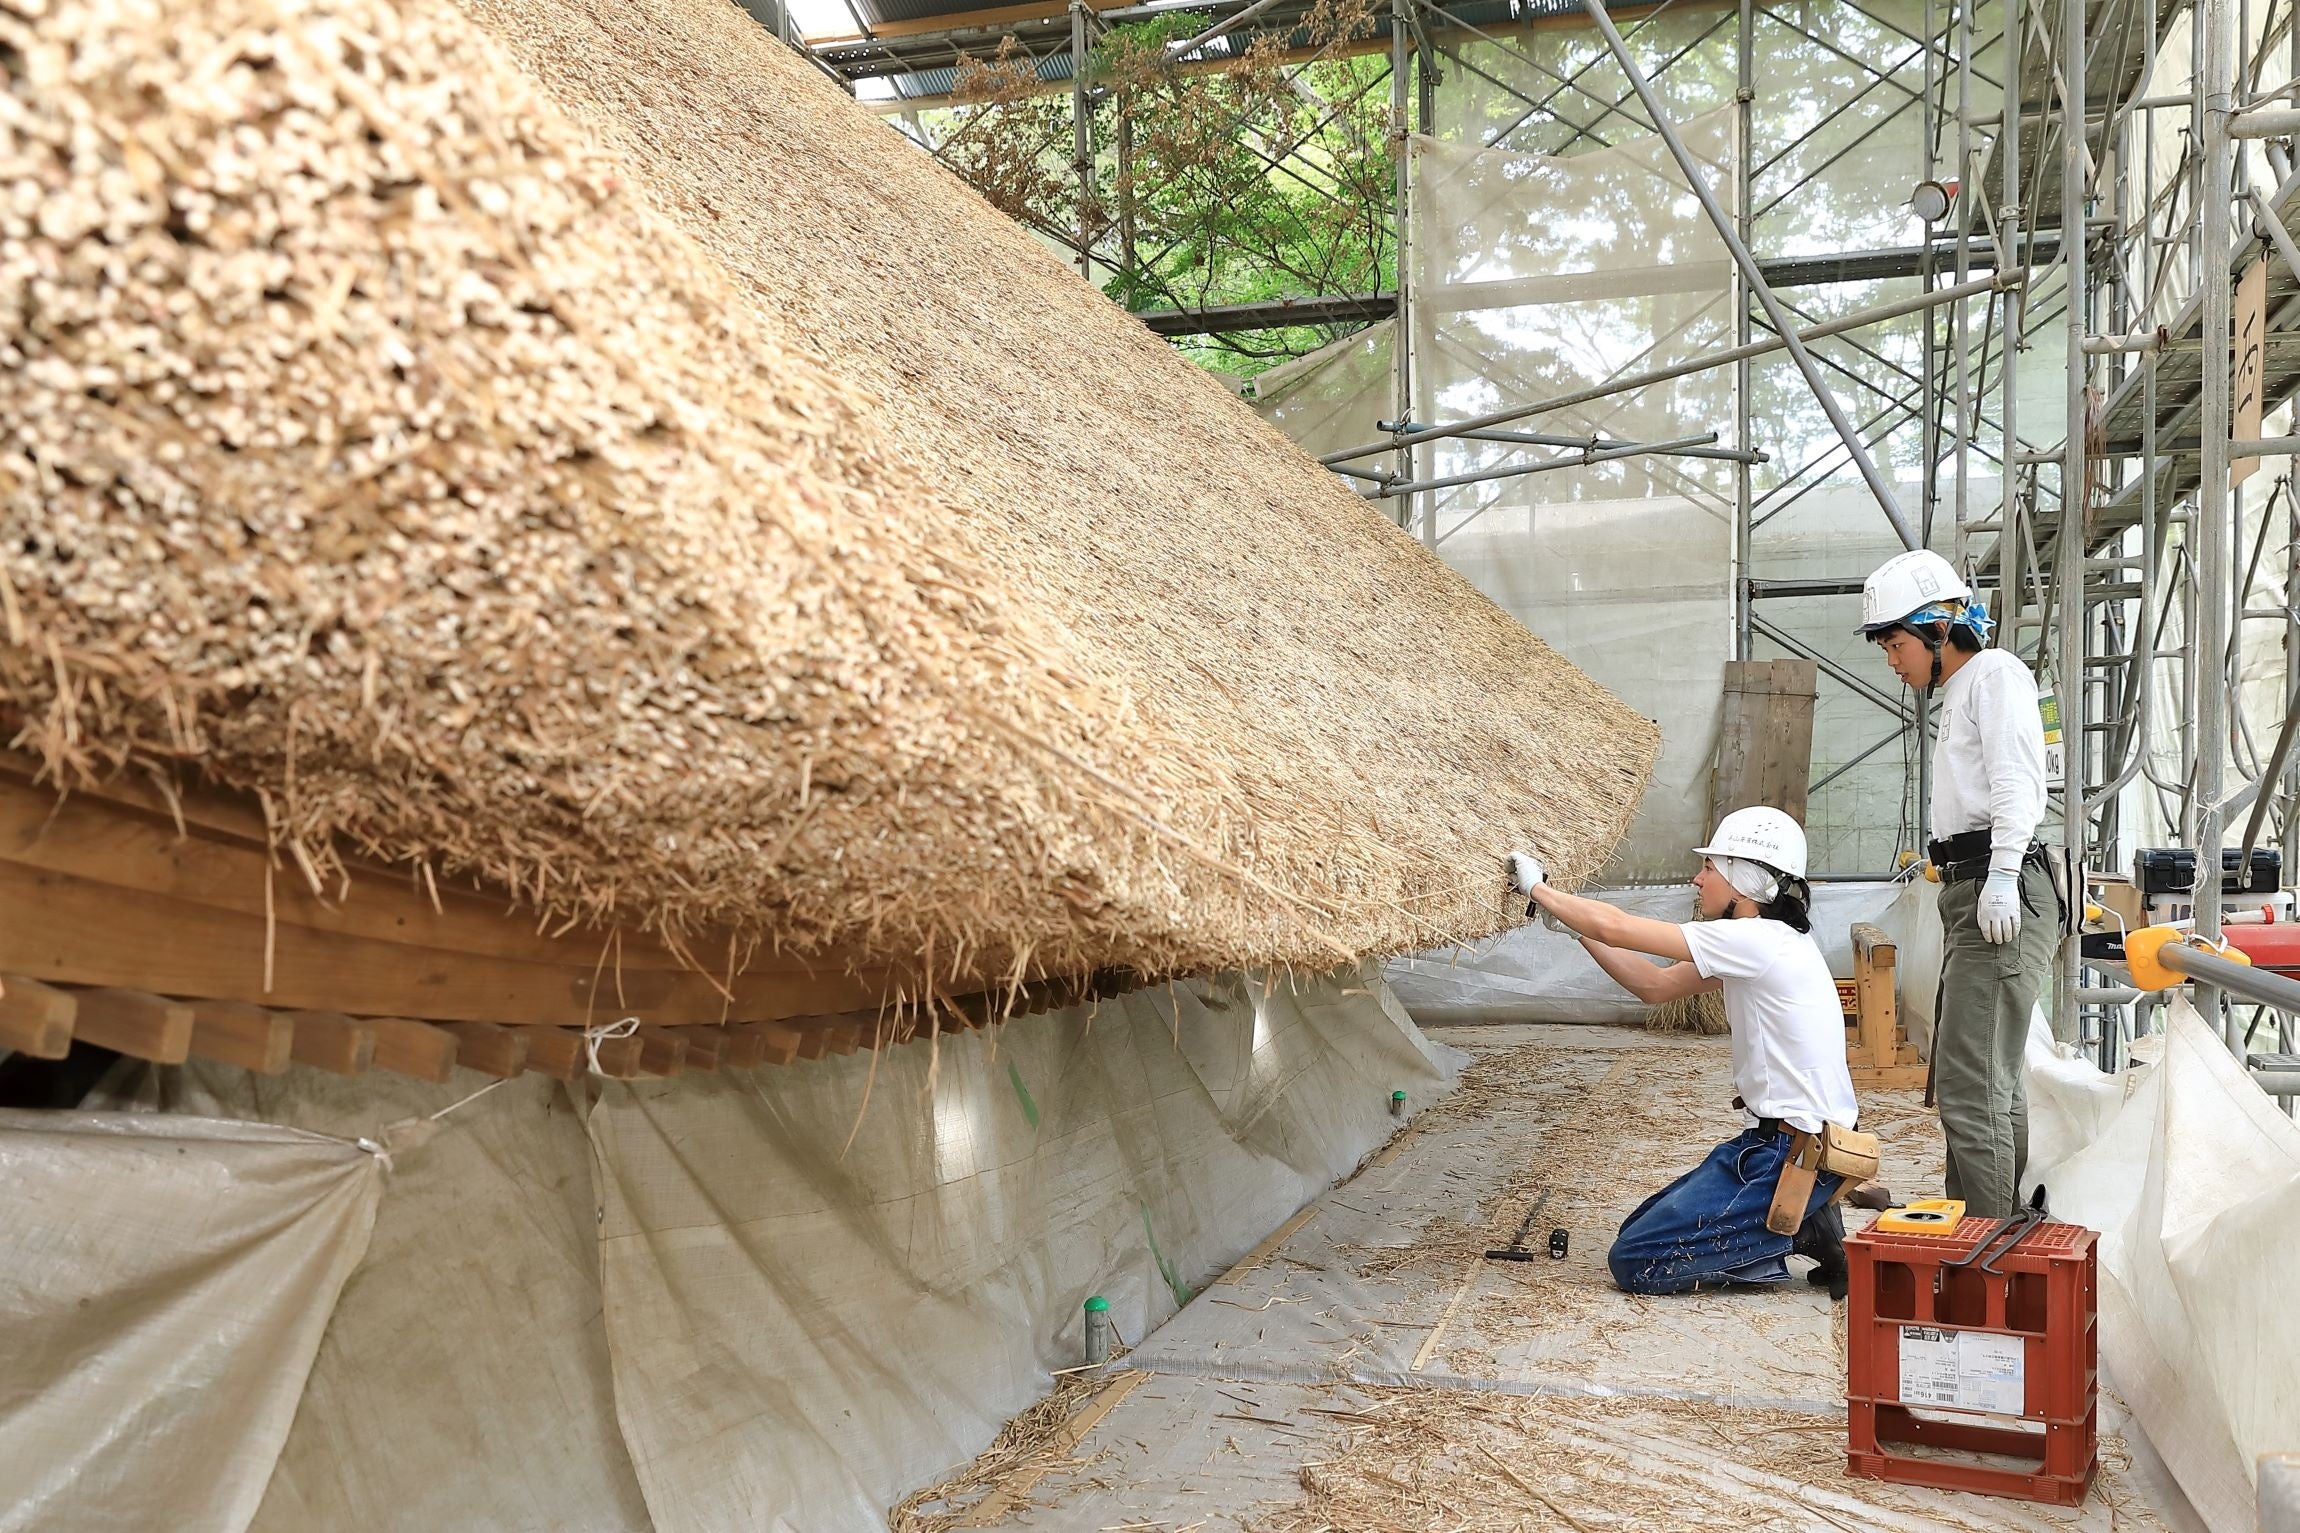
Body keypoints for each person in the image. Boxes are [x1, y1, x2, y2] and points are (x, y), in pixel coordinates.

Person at [1511, 808, 1862, 1298]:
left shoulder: (1754, 940)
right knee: (1638, 1230)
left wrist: (1540, 890)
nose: (1698, 880)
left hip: (1794, 1151)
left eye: (1710, 869)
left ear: (1743, 880)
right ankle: (1803, 1216)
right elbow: (1653, 986)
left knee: (1637, 1261)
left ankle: (1795, 1228)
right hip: (1781, 1142)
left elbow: (1618, 925)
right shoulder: (1770, 943)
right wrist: (1579, 931)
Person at [1859, 549, 2053, 1222]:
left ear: (1941, 628)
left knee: (1974, 1084)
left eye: (1897, 643)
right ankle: (1977, 1221)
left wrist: (2001, 873)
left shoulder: (1994, 673)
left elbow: (2017, 783)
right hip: (1973, 885)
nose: (1893, 660)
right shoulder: (1964, 689)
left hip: (1997, 885)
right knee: (1984, 1077)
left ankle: (1989, 1247)